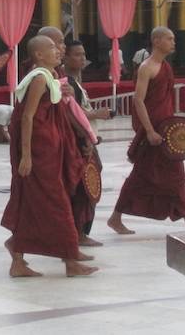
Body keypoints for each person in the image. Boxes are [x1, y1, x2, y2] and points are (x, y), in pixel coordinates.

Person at [1, 35, 98, 278]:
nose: (58, 51)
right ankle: (70, 261)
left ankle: (18, 255)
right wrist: (26, 156)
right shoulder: (40, 78)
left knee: (35, 203)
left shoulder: (51, 77)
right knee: (58, 203)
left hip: (51, 149)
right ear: (39, 55)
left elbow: (56, 106)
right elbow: (27, 116)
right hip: (38, 151)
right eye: (52, 48)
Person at [107, 27, 185, 235]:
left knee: (172, 175)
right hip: (154, 133)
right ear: (156, 41)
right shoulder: (147, 67)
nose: (174, 42)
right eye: (170, 38)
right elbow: (138, 100)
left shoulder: (165, 66)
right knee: (144, 176)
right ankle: (116, 217)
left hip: (166, 130)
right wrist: (148, 131)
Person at [65, 40, 112, 246]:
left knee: (90, 182)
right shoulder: (66, 83)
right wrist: (96, 115)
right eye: (77, 54)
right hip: (80, 142)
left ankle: (81, 232)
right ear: (65, 57)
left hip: (88, 138)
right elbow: (72, 113)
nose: (82, 58)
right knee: (84, 186)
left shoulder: (76, 82)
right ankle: (79, 233)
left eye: (83, 54)